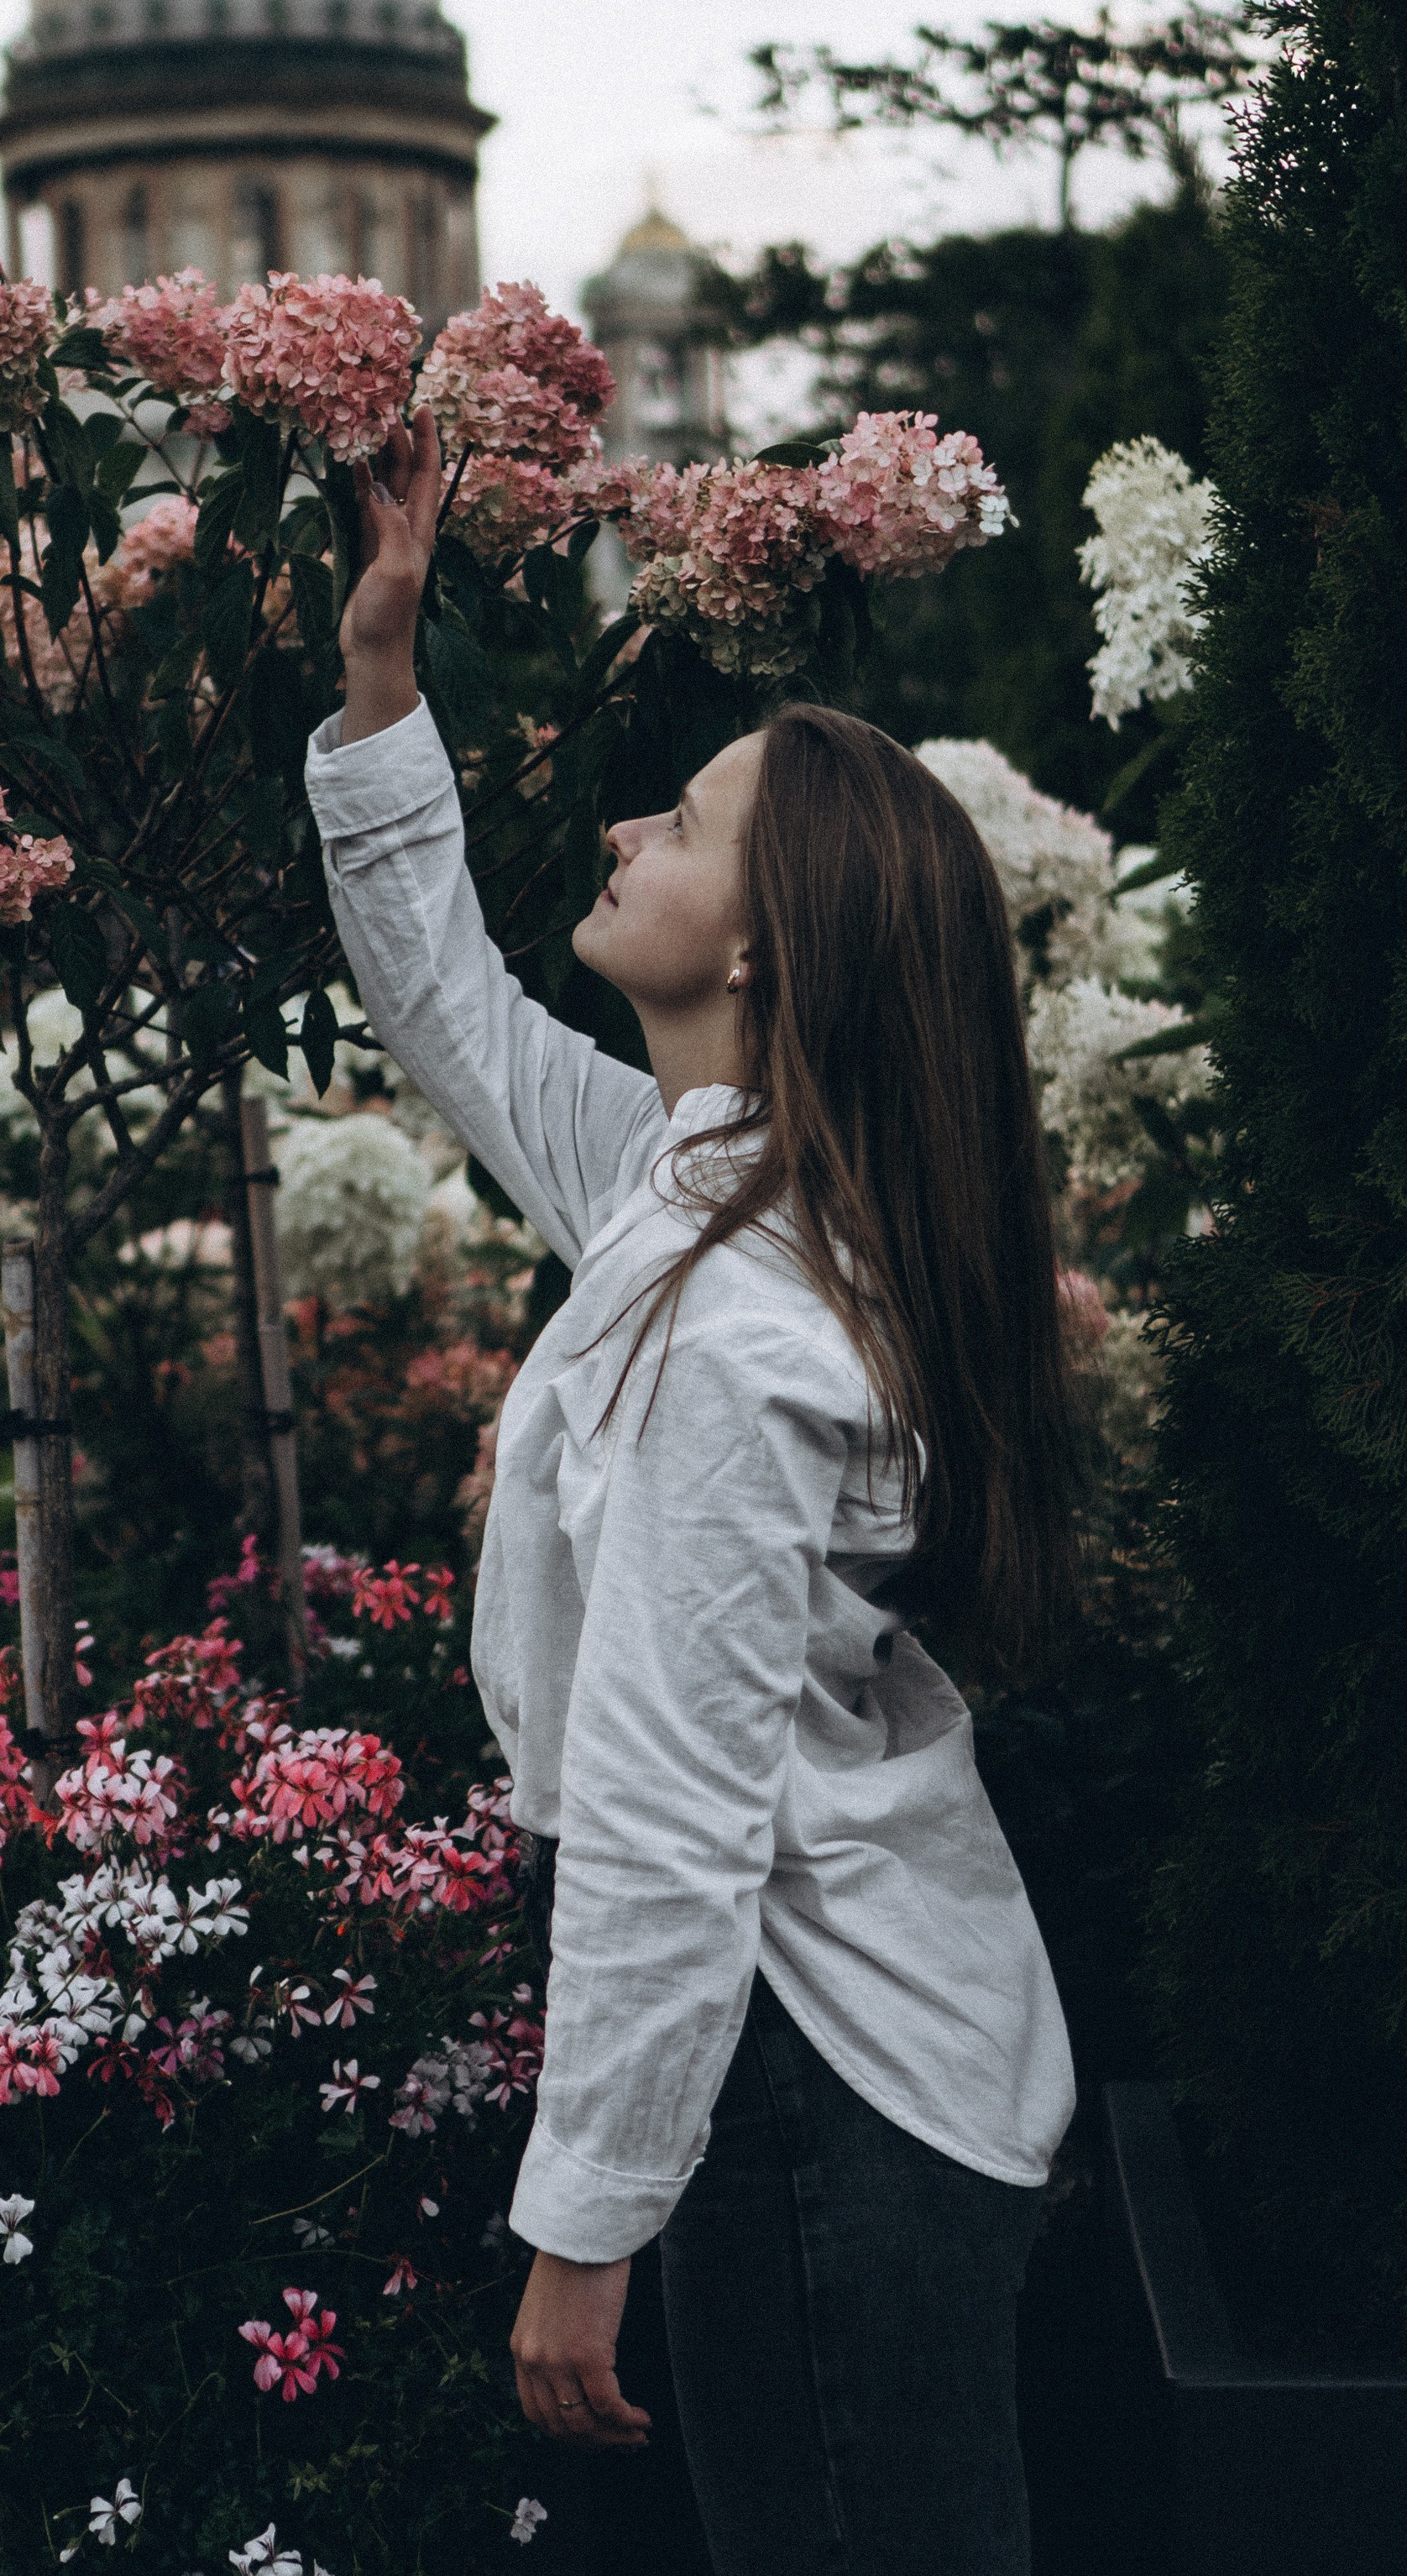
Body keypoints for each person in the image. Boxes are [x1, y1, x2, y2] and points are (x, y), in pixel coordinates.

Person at [303, 413, 1080, 2576]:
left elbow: (668, 1809)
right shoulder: (701, 1183)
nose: (639, 819)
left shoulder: (738, 1325)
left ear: (768, 955)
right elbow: (451, 1014)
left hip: (834, 2102)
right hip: (862, 2073)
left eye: (696, 817)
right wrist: (386, 694)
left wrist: (585, 2220)